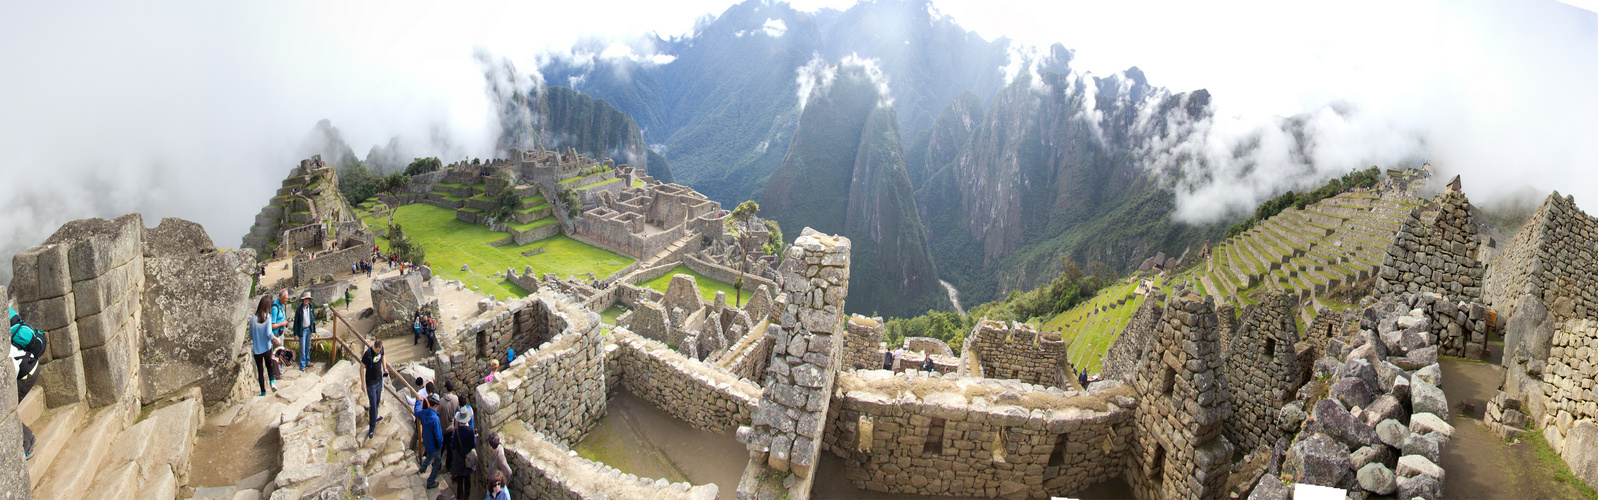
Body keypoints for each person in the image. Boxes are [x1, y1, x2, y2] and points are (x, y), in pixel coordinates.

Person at [11, 308, 47, 458]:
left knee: (4, 411)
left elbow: (13, 367)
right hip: (31, 365)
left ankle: (25, 447)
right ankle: (29, 438)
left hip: (26, 373)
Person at [248, 296, 281, 397]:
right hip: (267, 348)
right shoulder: (268, 318)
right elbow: (268, 334)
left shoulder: (253, 319)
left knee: (260, 370)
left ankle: (263, 392)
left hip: (257, 350)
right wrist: (276, 339)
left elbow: (250, 335)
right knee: (269, 366)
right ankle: (272, 382)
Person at [446, 407, 477, 500]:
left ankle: (459, 497)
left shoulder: (457, 432)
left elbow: (453, 445)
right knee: (467, 478)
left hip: (459, 458)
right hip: (468, 458)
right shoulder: (471, 430)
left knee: (460, 480)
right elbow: (473, 445)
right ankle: (467, 497)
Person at [414, 394, 444, 490]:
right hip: (435, 445)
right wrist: (440, 445)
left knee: (429, 455)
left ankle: (423, 467)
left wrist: (418, 401)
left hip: (427, 442)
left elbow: (416, 411)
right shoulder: (435, 419)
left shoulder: (423, 413)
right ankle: (430, 481)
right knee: (436, 462)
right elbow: (438, 436)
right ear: (436, 405)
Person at [361, 340, 385, 440]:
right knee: (373, 405)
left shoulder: (381, 350)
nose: (379, 351)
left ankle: (375, 417)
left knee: (378, 400)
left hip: (379, 380)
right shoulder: (367, 354)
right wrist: (363, 384)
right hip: (371, 383)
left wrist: (385, 368)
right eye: (377, 350)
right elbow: (361, 367)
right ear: (374, 347)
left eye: (380, 350)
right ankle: (372, 428)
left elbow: (383, 356)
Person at [293, 292, 316, 370]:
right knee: (302, 348)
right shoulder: (299, 309)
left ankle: (307, 361)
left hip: (309, 329)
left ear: (309, 300)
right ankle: (302, 365)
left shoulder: (311, 307)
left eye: (308, 299)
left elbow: (312, 317)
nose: (306, 300)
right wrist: (295, 333)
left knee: (308, 346)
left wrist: (313, 328)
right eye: (305, 299)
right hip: (302, 330)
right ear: (303, 300)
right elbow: (296, 321)